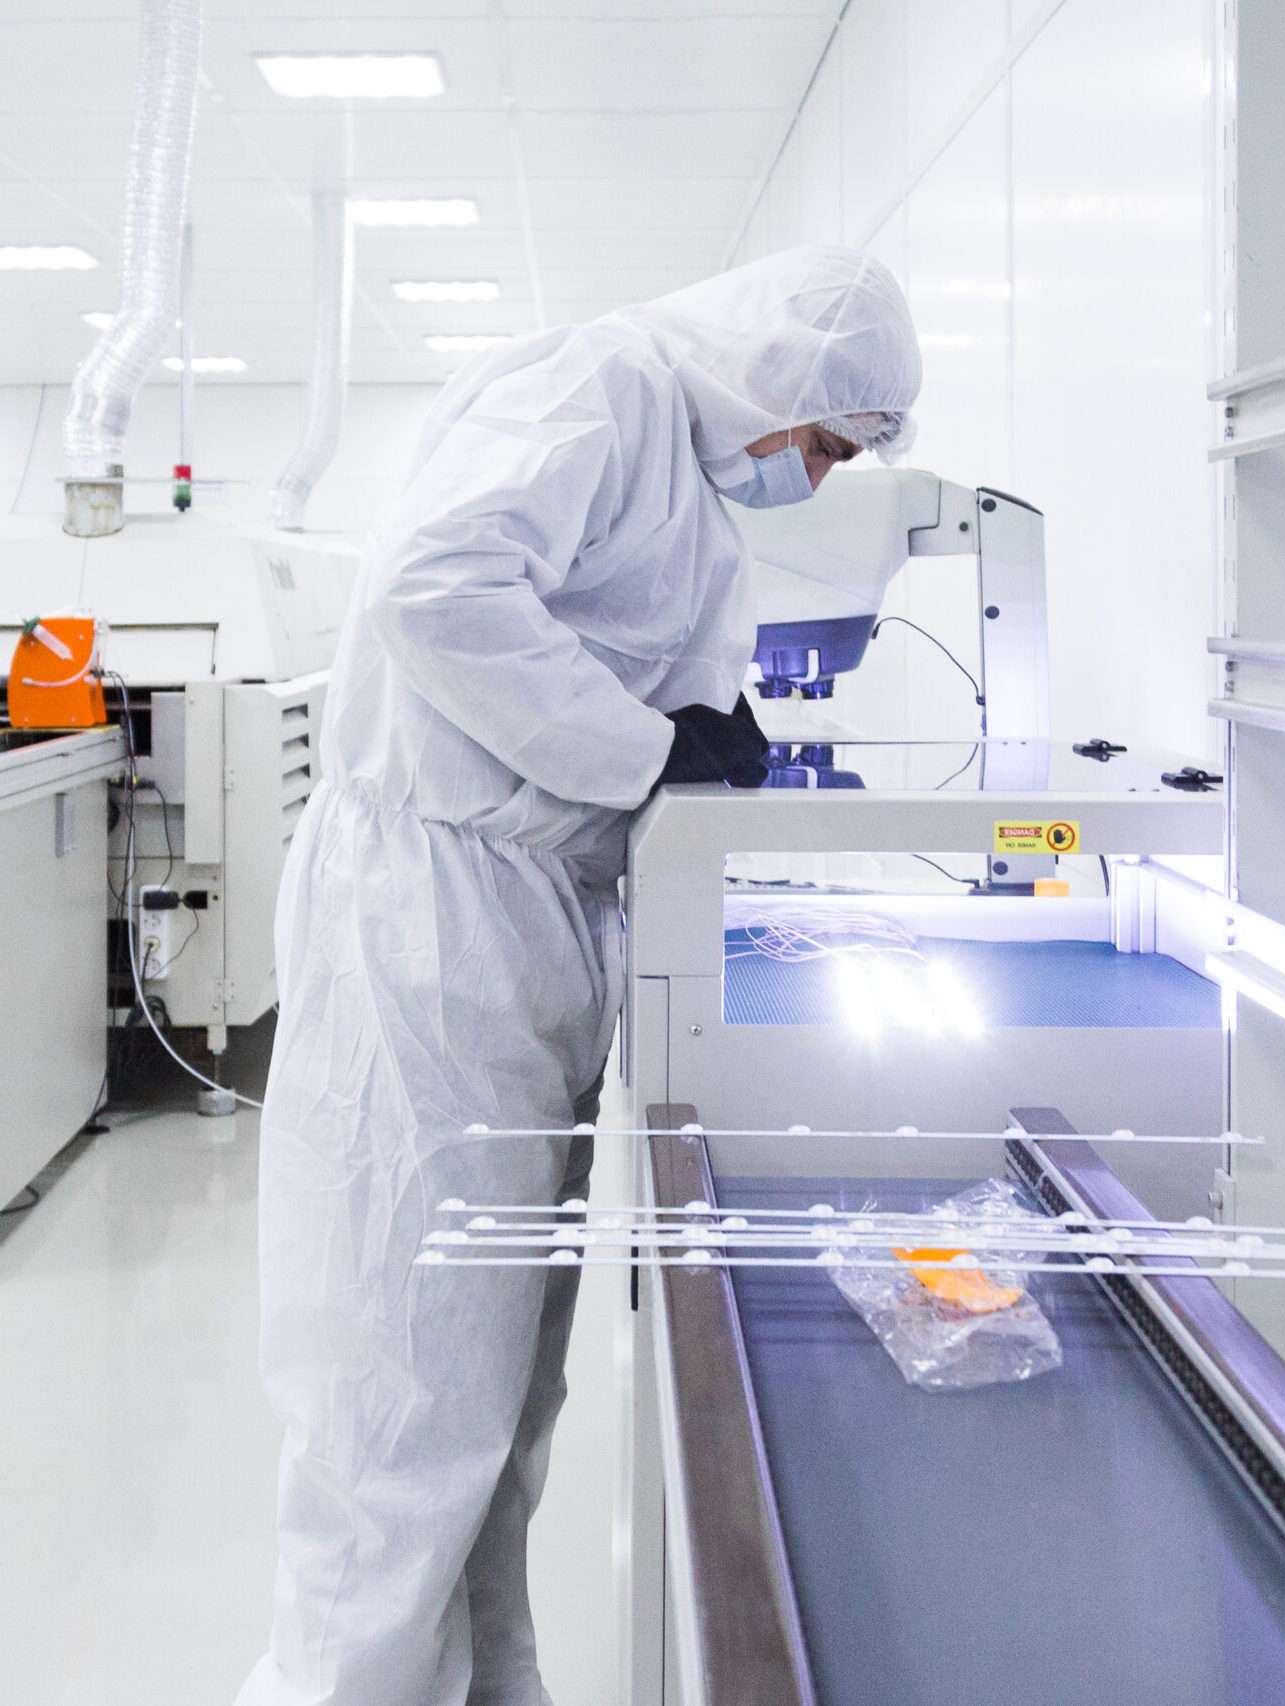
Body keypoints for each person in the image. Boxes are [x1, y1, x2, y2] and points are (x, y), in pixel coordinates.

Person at [235, 245, 922, 1706]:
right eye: (819, 440)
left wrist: (690, 730)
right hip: (434, 926)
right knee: (401, 1410)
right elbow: (435, 587)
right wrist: (646, 748)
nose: (808, 470)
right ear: (776, 373)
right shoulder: (600, 385)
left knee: (495, 1403)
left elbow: (598, 640)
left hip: (525, 926)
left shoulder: (678, 472)